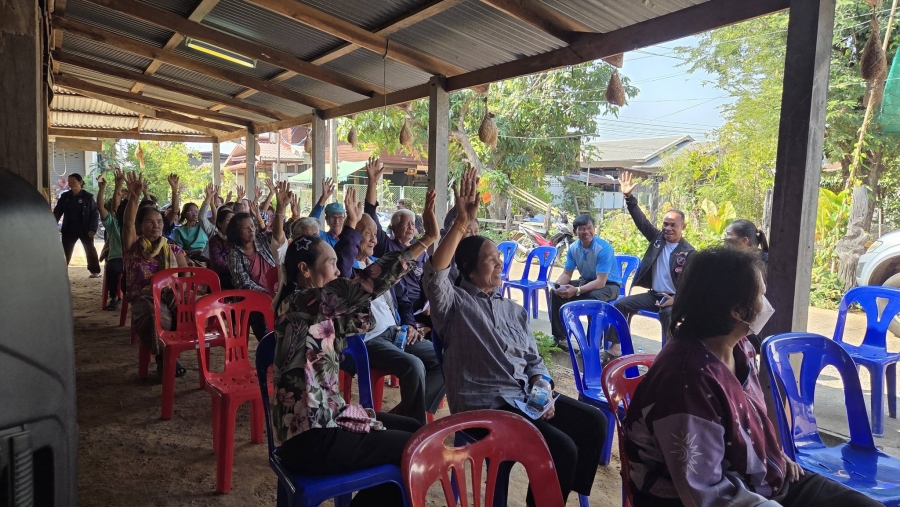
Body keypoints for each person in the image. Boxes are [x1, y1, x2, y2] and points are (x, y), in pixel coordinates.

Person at [622, 247, 882, 507]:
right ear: (737, 310)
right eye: (760, 296)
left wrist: (774, 456)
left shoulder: (740, 348)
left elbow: (749, 424)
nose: (766, 305)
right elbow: (704, 493)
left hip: (763, 480)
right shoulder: (687, 381)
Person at [423, 168, 607, 506]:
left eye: (500, 259)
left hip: (524, 396)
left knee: (593, 422)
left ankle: (555, 498)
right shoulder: (454, 305)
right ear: (469, 269)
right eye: (490, 261)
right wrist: (461, 224)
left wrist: (542, 385)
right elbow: (435, 275)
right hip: (487, 404)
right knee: (562, 448)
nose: (500, 265)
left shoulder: (513, 310)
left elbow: (534, 359)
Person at [271, 189, 440, 507]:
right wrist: (427, 239)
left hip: (325, 419)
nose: (338, 271)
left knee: (414, 428)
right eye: (331, 264)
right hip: (312, 436)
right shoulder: (303, 303)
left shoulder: (310, 307)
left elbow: (359, 311)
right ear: (305, 270)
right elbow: (365, 284)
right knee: (417, 448)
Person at [342, 213, 445, 425]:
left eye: (375, 234)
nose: (374, 239)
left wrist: (409, 325)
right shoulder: (346, 270)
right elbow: (344, 267)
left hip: (397, 332)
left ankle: (402, 416)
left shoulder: (378, 263)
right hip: (369, 339)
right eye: (367, 234)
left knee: (444, 358)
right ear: (354, 237)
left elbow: (404, 301)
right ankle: (414, 430)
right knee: (414, 366)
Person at [608, 170, 694, 362]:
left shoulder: (689, 253)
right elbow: (641, 221)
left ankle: (669, 358)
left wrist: (675, 299)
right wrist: (628, 197)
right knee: (620, 304)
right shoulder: (657, 239)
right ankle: (615, 348)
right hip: (654, 295)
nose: (668, 228)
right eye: (665, 224)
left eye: (673, 225)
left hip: (675, 300)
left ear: (683, 227)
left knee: (667, 314)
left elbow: (693, 287)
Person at [120, 172, 189, 377]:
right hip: (144, 297)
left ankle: (171, 353)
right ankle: (165, 357)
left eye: (159, 221)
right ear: (140, 226)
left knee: (187, 308)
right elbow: (127, 224)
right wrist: (134, 197)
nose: (156, 225)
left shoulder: (172, 248)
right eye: (150, 222)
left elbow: (185, 275)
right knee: (153, 313)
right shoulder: (133, 246)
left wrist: (180, 294)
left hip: (169, 295)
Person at [363, 157, 429, 316]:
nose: (411, 227)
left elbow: (428, 281)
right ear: (394, 227)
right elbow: (370, 212)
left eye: (413, 224)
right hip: (398, 305)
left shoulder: (421, 252)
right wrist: (372, 182)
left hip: (421, 307)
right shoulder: (386, 245)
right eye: (406, 223)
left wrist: (429, 304)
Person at [549, 214, 623, 348]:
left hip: (610, 285)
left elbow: (600, 282)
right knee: (556, 293)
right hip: (587, 281)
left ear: (594, 229)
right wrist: (558, 285)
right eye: (582, 229)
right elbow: (567, 273)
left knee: (593, 297)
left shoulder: (603, 248)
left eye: (589, 228)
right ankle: (560, 336)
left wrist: (577, 290)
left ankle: (593, 344)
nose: (586, 232)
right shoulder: (573, 248)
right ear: (574, 232)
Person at [226, 191, 287, 341]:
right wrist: (267, 294)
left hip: (275, 292)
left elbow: (277, 235)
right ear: (236, 232)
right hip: (254, 297)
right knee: (261, 321)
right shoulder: (234, 254)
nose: (251, 230)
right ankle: (267, 344)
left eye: (252, 226)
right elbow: (244, 283)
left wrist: (280, 209)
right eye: (246, 228)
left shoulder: (262, 240)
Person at [725, 219, 769, 353]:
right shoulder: (735, 260)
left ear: (744, 240)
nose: (725, 239)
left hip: (755, 327)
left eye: (728, 235)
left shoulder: (755, 264)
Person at [54, 172, 102, 277]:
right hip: (69, 229)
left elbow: (95, 213)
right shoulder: (65, 196)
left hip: (85, 229)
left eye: (73, 182)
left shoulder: (88, 197)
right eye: (69, 182)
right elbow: (58, 211)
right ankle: (61, 273)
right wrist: (52, 224)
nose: (71, 184)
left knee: (90, 250)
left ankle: (95, 271)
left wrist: (93, 229)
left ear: (80, 182)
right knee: (65, 251)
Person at [97, 170, 125, 309]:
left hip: (132, 258)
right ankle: (114, 297)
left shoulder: (137, 226)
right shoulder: (113, 223)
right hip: (116, 258)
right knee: (113, 268)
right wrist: (102, 188)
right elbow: (101, 207)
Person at [206, 205, 234, 289]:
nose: (232, 223)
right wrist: (237, 267)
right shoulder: (215, 240)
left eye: (234, 220)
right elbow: (218, 264)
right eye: (228, 220)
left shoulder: (239, 238)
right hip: (222, 277)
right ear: (219, 224)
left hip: (238, 274)